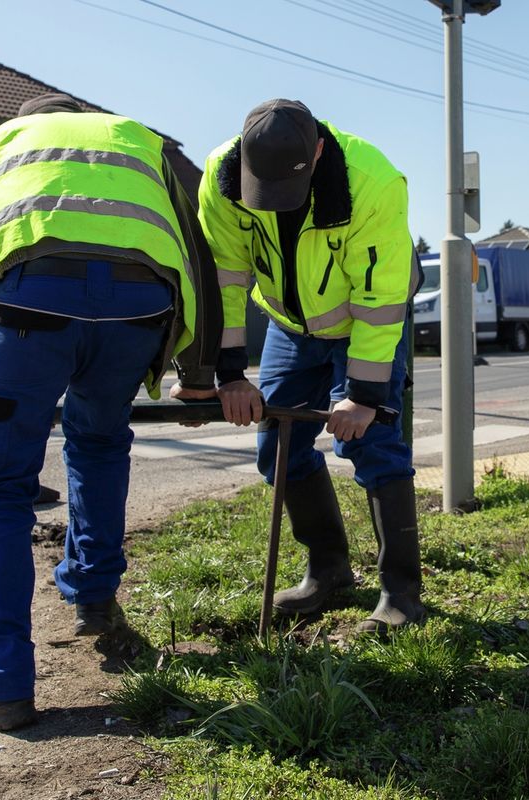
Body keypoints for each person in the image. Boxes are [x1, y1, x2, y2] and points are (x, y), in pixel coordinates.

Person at [0, 93, 220, 730]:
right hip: (138, 309)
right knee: (97, 442)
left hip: (29, 307)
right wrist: (198, 374)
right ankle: (95, 601)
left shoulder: (1, 145)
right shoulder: (138, 139)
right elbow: (194, 252)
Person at [174, 99, 424, 635]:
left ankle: (402, 593)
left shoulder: (372, 182)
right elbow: (224, 280)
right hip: (290, 325)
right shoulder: (221, 180)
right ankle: (329, 569)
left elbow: (380, 304)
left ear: (316, 152)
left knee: (372, 443)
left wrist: (363, 395)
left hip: (366, 323)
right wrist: (231, 374)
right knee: (278, 447)